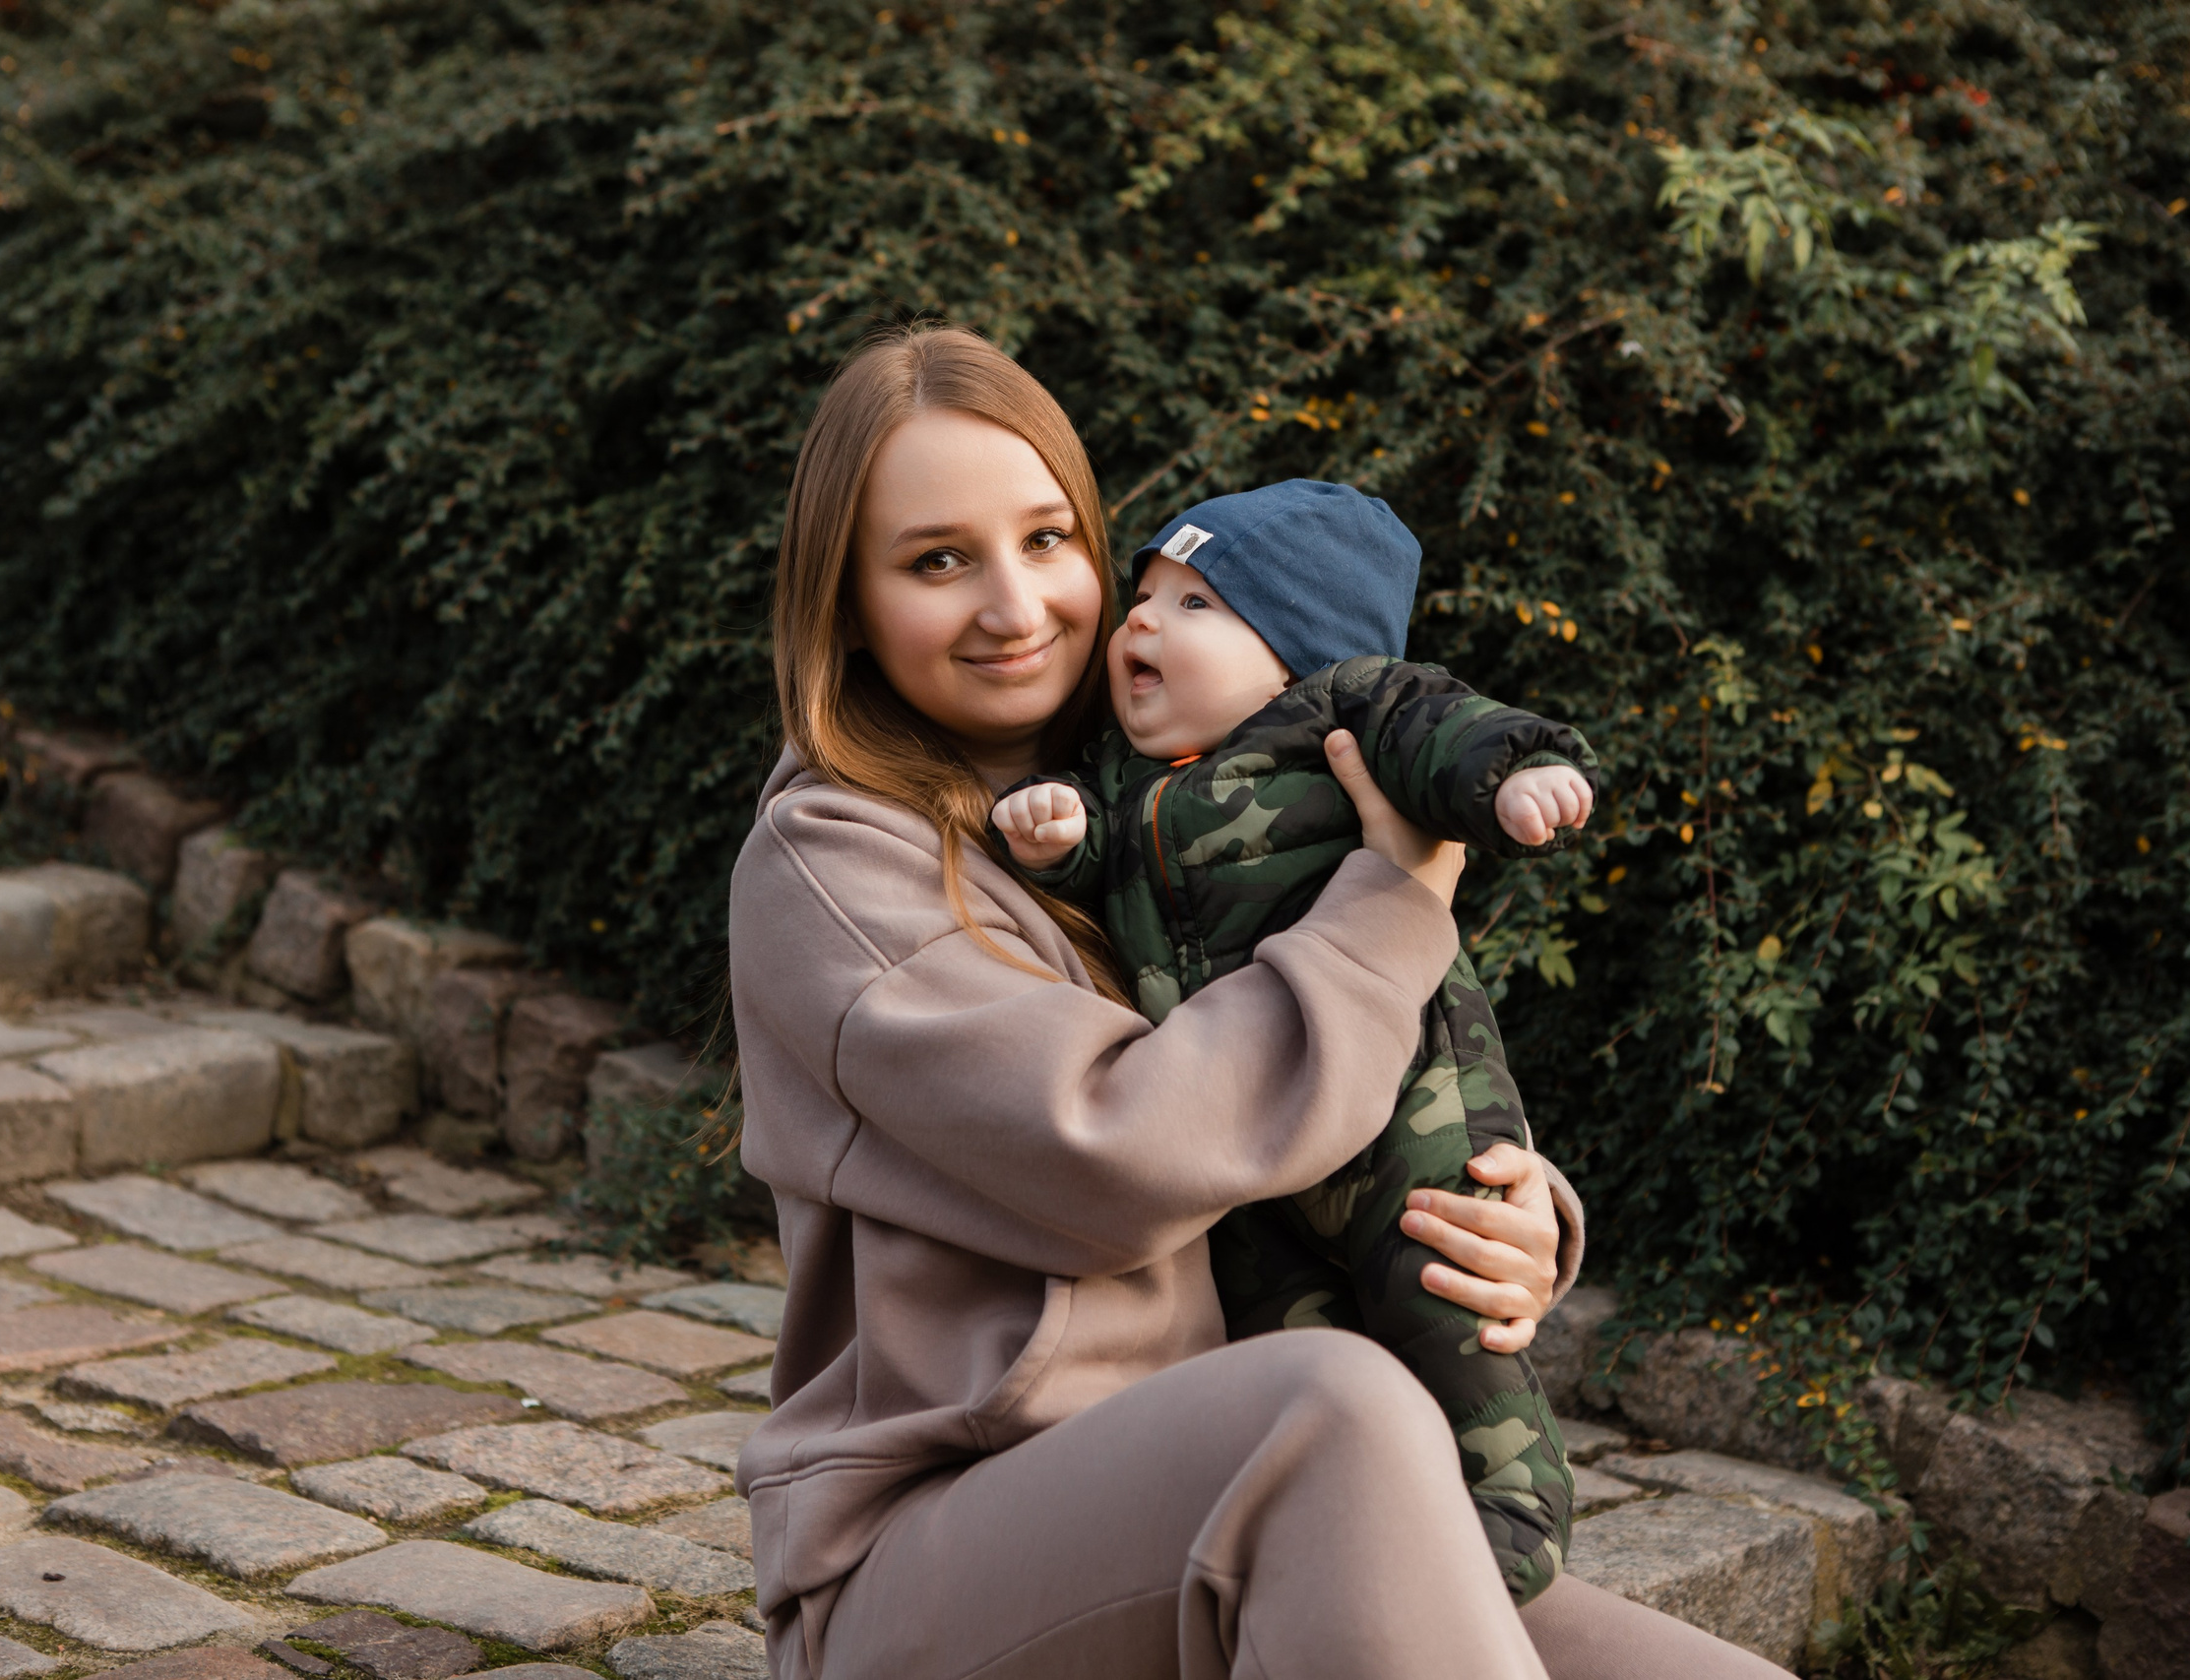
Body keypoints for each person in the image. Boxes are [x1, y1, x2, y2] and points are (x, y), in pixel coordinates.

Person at [729, 321, 1790, 1680]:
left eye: (1049, 538)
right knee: (1327, 1404)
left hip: (1244, 1497)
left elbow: (1344, 1067)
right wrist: (1399, 893)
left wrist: (1502, 1206)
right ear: (849, 602)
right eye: (939, 559)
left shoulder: (1168, 787)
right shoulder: (830, 862)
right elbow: (1132, 1146)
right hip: (933, 1562)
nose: (1016, 602)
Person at [985, 478, 1601, 1603]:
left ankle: (1507, 1515)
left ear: (1295, 656)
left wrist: (1520, 773)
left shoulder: (1343, 714)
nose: (1142, 623)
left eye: (1197, 604)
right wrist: (1057, 839)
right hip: (1252, 1167)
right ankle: (1346, 1530)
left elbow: (1441, 729)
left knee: (1442, 1296)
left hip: (1406, 1116)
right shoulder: (1119, 777)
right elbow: (1099, 884)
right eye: (1146, 595)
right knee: (1285, 1343)